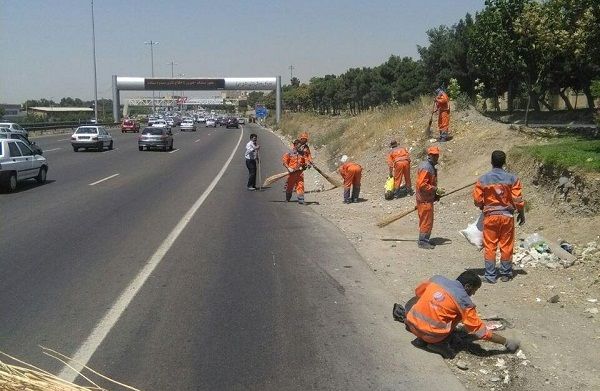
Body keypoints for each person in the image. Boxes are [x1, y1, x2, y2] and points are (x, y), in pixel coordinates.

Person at [396, 271, 520, 359]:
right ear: (467, 286)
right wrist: (506, 342)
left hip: (411, 324)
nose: (473, 294)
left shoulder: (436, 279)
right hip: (432, 336)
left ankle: (421, 339)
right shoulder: (464, 302)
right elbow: (480, 331)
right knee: (460, 316)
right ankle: (437, 344)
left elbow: (418, 292)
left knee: (424, 298)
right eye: (474, 290)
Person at [473, 150, 525, 283]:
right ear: (504, 162)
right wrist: (521, 213)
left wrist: (483, 206)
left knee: (490, 245)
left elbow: (477, 200)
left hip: (491, 217)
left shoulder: (483, 179)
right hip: (507, 216)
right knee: (506, 245)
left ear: (491, 162)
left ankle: (490, 276)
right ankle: (506, 274)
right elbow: (517, 199)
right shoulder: (513, 179)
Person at [416, 146, 440, 249]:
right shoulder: (426, 167)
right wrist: (434, 189)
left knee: (427, 220)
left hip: (426, 198)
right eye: (433, 155)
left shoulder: (429, 166)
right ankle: (422, 241)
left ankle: (425, 239)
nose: (435, 157)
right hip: (424, 200)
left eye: (436, 155)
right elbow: (422, 185)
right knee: (426, 221)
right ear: (429, 155)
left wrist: (435, 195)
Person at [282, 139, 309, 204]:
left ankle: (301, 200)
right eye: (299, 146)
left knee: (300, 186)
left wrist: (306, 165)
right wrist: (288, 168)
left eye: (300, 146)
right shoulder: (289, 153)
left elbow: (305, 162)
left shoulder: (302, 153)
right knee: (290, 186)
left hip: (300, 173)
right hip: (292, 173)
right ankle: (287, 198)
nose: (300, 147)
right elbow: (284, 161)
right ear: (295, 145)